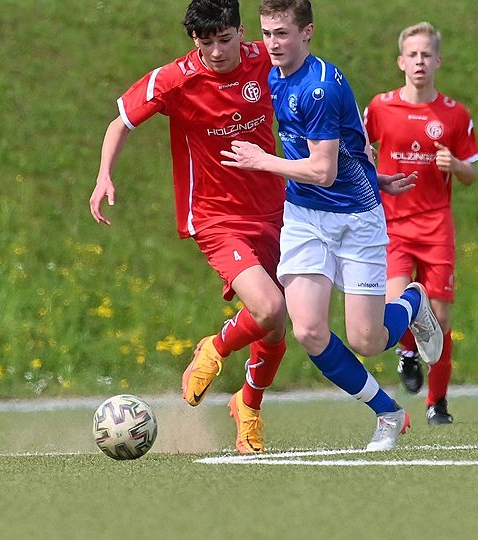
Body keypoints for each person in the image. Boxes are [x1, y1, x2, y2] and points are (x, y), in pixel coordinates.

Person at [220, 0, 444, 451]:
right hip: (305, 217)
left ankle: (413, 302)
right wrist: (370, 172)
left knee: (367, 339)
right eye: (267, 33)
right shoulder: (272, 73)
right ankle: (387, 413)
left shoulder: (319, 86)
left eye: (282, 33)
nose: (272, 43)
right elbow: (350, 145)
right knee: (308, 330)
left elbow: (322, 170)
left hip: (355, 220)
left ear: (307, 32)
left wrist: (262, 161)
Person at [89, 0, 289, 454]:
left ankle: (248, 406)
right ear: (194, 41)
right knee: (269, 307)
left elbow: (317, 95)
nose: (216, 52)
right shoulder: (175, 79)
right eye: (205, 43)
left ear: (241, 32)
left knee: (275, 330)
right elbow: (120, 123)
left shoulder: (267, 58)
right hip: (217, 218)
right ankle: (214, 349)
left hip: (276, 211)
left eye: (225, 40)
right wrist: (104, 175)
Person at [364, 22, 478, 426]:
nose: (419, 61)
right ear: (401, 61)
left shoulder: (454, 114)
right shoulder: (381, 107)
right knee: (396, 305)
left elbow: (472, 173)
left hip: (435, 226)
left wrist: (457, 165)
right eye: (412, 55)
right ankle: (408, 351)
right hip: (393, 225)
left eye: (426, 55)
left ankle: (437, 403)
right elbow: (359, 147)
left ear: (438, 61)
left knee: (441, 318)